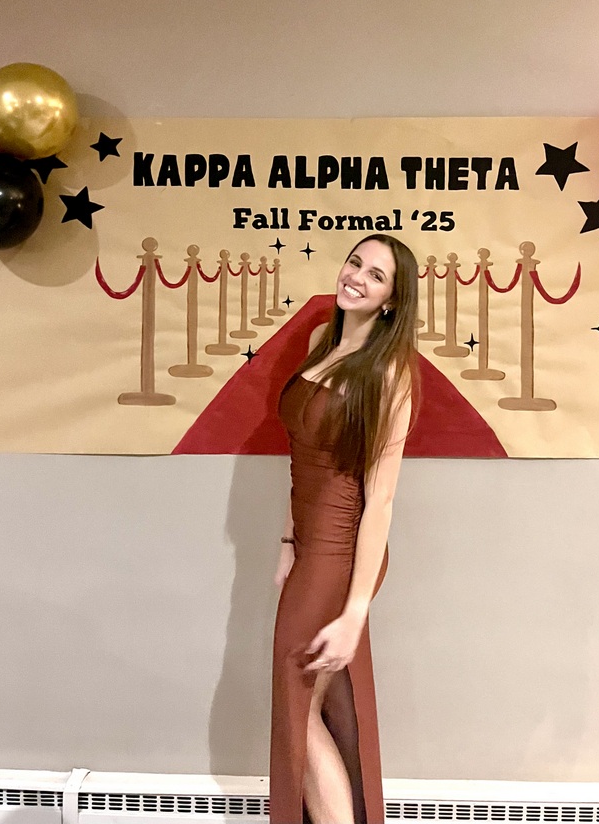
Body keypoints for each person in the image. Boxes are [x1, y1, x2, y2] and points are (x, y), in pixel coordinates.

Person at [270, 234, 420, 824]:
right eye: (356, 262)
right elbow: (299, 457)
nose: (356, 277)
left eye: (376, 275)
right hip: (310, 548)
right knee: (326, 710)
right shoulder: (319, 341)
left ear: (391, 300)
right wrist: (288, 540)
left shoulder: (389, 375)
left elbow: (379, 501)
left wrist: (355, 614)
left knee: (297, 712)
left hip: (341, 555)